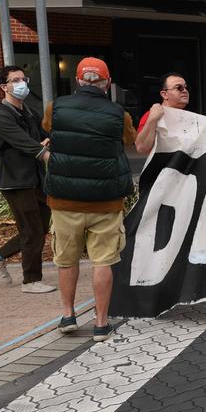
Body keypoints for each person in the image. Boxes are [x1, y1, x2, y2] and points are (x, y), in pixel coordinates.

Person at [42, 58, 137, 341]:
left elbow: (48, 127)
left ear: (78, 81)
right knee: (103, 261)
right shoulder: (119, 113)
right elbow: (130, 139)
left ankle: (68, 315)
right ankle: (100, 323)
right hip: (106, 202)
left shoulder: (55, 108)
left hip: (64, 200)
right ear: (107, 83)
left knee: (67, 260)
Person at [0, 65, 55, 293]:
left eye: (23, 79)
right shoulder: (0, 116)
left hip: (34, 179)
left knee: (38, 227)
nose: (21, 83)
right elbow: (23, 142)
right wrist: (43, 152)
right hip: (15, 182)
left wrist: (48, 141)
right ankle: (31, 281)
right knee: (32, 230)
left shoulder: (27, 112)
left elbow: (42, 136)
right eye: (15, 80)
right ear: (4, 87)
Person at [136, 72, 206, 155]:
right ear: (164, 94)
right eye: (179, 88)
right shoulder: (152, 115)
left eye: (186, 87)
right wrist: (152, 119)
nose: (185, 91)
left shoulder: (192, 118)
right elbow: (141, 148)